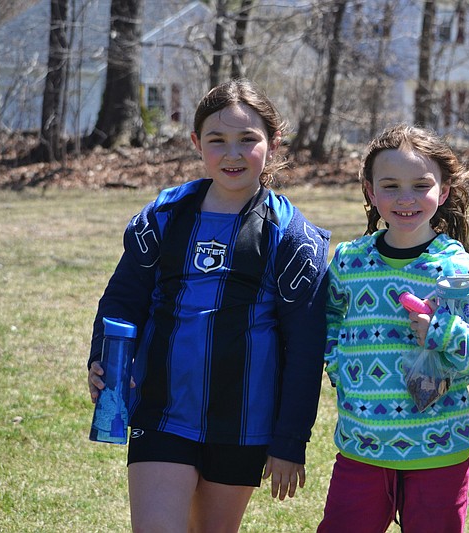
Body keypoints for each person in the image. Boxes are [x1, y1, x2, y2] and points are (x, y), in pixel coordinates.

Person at [86, 79, 331, 532]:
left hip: (243, 423)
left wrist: (289, 440)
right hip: (161, 411)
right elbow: (123, 300)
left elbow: (305, 346)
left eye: (248, 140)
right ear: (197, 143)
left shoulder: (292, 236)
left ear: (273, 144)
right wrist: (103, 359)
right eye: (217, 140)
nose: (232, 154)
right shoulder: (163, 217)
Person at [318, 124, 469, 532]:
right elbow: (328, 319)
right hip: (362, 447)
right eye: (390, 186)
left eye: (420, 185)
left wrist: (443, 332)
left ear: (442, 192)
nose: (405, 199)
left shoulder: (462, 271)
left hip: (439, 451)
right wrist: (338, 366)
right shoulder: (350, 261)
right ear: (371, 192)